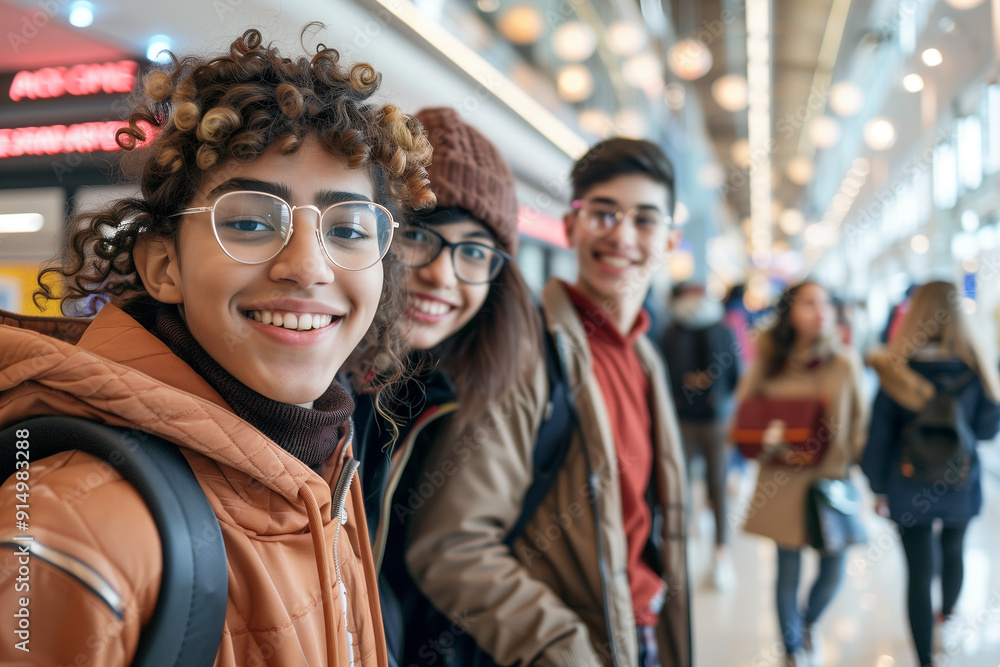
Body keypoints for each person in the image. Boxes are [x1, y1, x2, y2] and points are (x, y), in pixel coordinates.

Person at [0, 27, 435, 666]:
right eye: (252, 222)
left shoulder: (318, 475)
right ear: (162, 267)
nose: (308, 267)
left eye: (347, 228)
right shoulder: (65, 532)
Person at [405, 137, 691, 666]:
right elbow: (452, 547)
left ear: (671, 240)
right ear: (570, 227)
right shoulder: (527, 352)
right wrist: (565, 652)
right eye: (603, 213)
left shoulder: (646, 358)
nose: (623, 234)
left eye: (645, 220)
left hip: (638, 630)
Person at [350, 106, 540, 666]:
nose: (444, 274)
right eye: (421, 236)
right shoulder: (314, 386)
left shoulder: (441, 394)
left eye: (476, 252)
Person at [861, 281, 1000, 667]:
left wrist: (877, 489)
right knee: (955, 551)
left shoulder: (895, 370)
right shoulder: (977, 368)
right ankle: (948, 620)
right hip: (961, 479)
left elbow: (878, 438)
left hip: (907, 483)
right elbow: (989, 430)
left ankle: (925, 659)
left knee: (918, 571)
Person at [735, 281, 867, 667]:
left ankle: (808, 622)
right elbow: (746, 414)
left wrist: (859, 464)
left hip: (831, 479)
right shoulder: (770, 360)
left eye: (825, 302)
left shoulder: (844, 361)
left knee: (833, 569)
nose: (820, 311)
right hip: (783, 479)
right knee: (786, 570)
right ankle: (791, 648)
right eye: (809, 303)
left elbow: (860, 420)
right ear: (790, 311)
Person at [659, 281, 740, 591]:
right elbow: (734, 375)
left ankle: (706, 550)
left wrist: (691, 388)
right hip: (702, 419)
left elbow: (732, 374)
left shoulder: (674, 330)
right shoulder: (716, 328)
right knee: (705, 483)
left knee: (692, 483)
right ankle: (711, 550)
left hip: (694, 419)